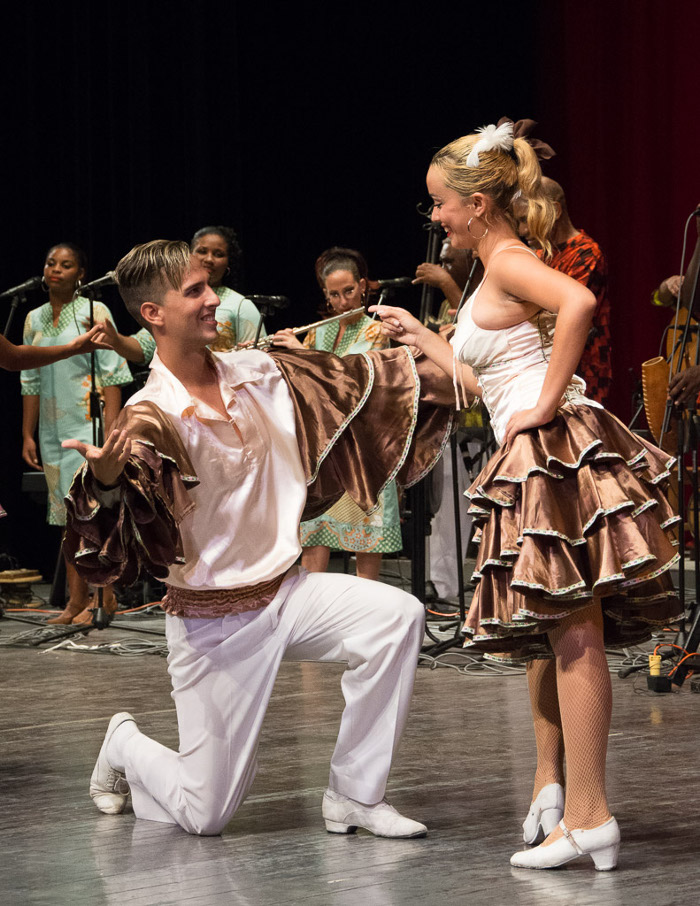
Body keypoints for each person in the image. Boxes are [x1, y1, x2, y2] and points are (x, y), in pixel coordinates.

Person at [63, 240, 453, 838]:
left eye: (207, 285)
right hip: (212, 625)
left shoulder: (261, 371)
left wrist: (428, 351)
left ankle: (354, 793)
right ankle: (124, 744)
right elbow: (114, 529)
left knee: (397, 615)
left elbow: (358, 382)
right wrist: (107, 482)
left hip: (286, 596)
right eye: (193, 291)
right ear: (153, 315)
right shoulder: (151, 415)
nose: (212, 297)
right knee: (205, 814)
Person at [371, 122, 681, 871]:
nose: (435, 218)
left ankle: (591, 816)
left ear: (477, 205)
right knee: (561, 630)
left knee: (575, 633)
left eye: (440, 205)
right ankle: (576, 809)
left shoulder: (507, 258)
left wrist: (544, 405)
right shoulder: (490, 269)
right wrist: (425, 337)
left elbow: (576, 305)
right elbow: (483, 378)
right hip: (528, 445)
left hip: (547, 447)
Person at [271, 247, 402, 581]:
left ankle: (365, 612)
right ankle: (309, 611)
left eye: (348, 292)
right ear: (325, 296)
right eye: (334, 295)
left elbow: (350, 378)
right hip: (326, 445)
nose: (343, 301)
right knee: (315, 535)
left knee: (365, 539)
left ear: (362, 287)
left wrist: (301, 352)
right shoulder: (318, 332)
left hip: (363, 443)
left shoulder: (377, 331)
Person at [20, 243, 132, 624]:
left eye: (66, 265)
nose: (56, 270)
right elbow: (30, 379)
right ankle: (75, 601)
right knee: (66, 518)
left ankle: (104, 598)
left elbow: (113, 372)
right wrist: (27, 433)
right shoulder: (34, 318)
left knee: (90, 515)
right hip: (52, 430)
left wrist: (113, 432)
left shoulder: (93, 310)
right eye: (51, 262)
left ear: (81, 273)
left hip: (88, 424)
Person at [93, 225, 266, 364]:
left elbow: (259, 362)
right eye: (202, 251)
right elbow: (143, 349)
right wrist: (116, 340)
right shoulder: (172, 298)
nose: (209, 259)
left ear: (228, 262)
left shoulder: (241, 305)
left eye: (218, 254)